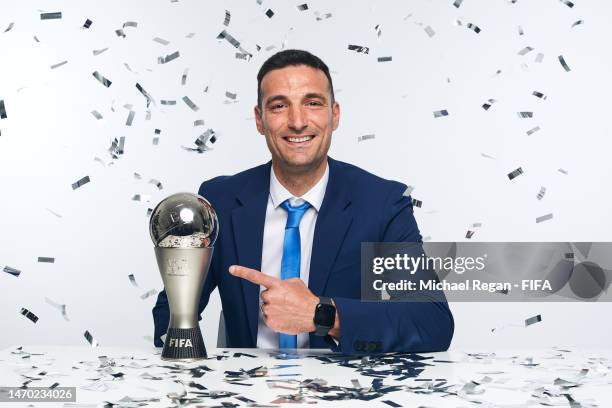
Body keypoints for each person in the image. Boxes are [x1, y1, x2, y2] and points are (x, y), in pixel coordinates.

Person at [153, 49, 454, 353]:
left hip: (345, 394)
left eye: (312, 103)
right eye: (279, 106)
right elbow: (174, 309)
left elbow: (431, 322)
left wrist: (322, 314)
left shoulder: (382, 204)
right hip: (246, 393)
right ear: (259, 120)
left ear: (334, 115)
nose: (297, 122)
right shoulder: (220, 200)